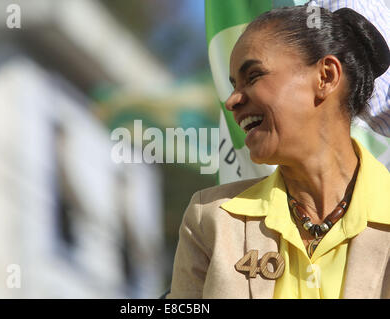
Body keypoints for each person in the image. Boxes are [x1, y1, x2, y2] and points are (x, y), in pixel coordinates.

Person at [166, 5, 390, 299]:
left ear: (326, 76)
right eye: (233, 84)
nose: (232, 100)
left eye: (254, 76)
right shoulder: (210, 219)